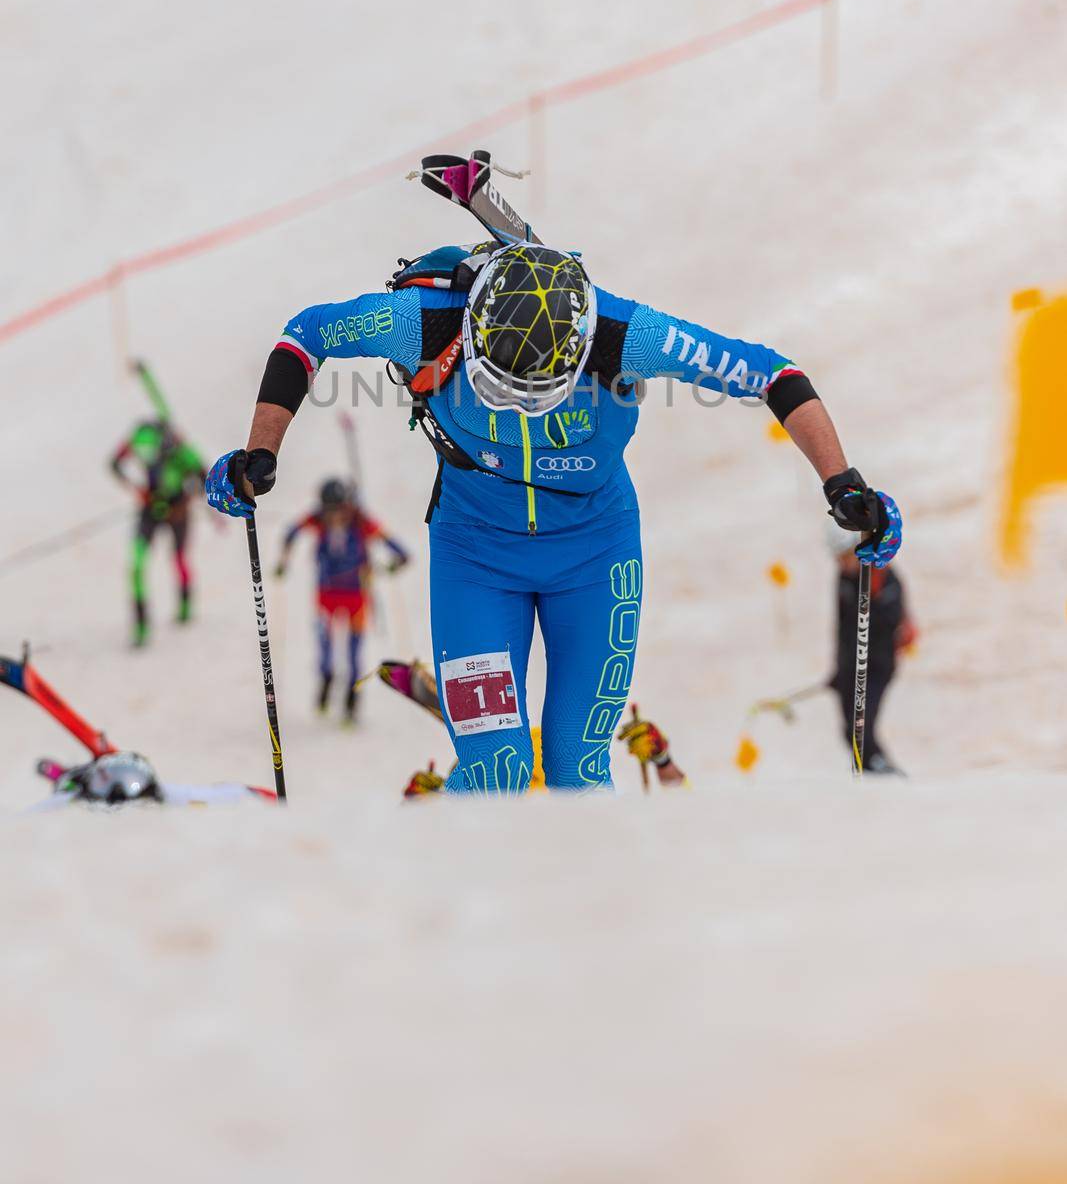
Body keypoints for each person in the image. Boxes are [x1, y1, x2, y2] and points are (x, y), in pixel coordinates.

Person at [206, 233, 903, 794]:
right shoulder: (424, 321)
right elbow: (307, 335)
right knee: (493, 771)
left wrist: (842, 483)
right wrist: (259, 453)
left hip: (595, 559)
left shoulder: (625, 334)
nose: (514, 408)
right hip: (475, 557)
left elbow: (772, 375)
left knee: (576, 768)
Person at [276, 478, 409, 718]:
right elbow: (291, 533)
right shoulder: (318, 519)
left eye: (339, 509)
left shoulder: (360, 522)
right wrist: (283, 562)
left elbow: (395, 547)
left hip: (356, 596)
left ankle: (351, 699)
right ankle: (326, 683)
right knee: (325, 646)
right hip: (327, 594)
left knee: (353, 651)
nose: (335, 515)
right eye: (330, 510)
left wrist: (394, 563)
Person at [828, 524, 916, 775]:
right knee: (848, 729)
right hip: (849, 664)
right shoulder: (844, 579)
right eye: (838, 558)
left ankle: (881, 768)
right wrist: (839, 668)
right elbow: (843, 627)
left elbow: (888, 623)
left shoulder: (883, 578)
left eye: (845, 556)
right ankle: (869, 769)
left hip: (877, 665)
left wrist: (870, 603)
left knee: (861, 725)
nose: (841, 564)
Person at [109, 418, 206, 647]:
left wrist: (184, 504)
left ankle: (184, 606)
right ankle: (141, 624)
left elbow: (204, 478)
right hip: (150, 506)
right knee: (137, 563)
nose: (144, 459)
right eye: (140, 454)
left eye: (148, 454)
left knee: (179, 558)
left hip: (178, 510)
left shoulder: (181, 451)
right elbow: (114, 463)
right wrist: (137, 489)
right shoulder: (137, 439)